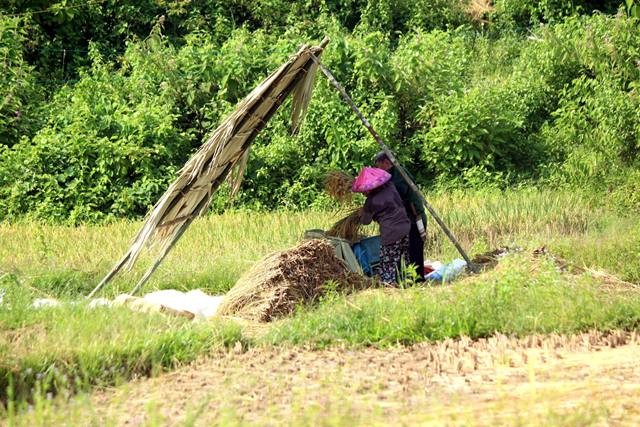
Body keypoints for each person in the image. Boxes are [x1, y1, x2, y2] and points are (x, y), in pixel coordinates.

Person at [352, 167, 410, 284]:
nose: (363, 193)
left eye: (364, 190)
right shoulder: (390, 187)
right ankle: (409, 282)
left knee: (388, 263)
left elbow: (365, 221)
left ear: (370, 187)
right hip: (405, 228)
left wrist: (362, 213)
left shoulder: (371, 202)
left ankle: (390, 286)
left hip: (391, 233)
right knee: (405, 260)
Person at [374, 151, 427, 281]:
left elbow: (399, 192)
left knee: (415, 249)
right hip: (405, 220)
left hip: (415, 217)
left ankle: (418, 279)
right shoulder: (389, 176)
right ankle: (407, 279)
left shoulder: (399, 174)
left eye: (378, 165)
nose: (377, 169)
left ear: (386, 162)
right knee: (406, 252)